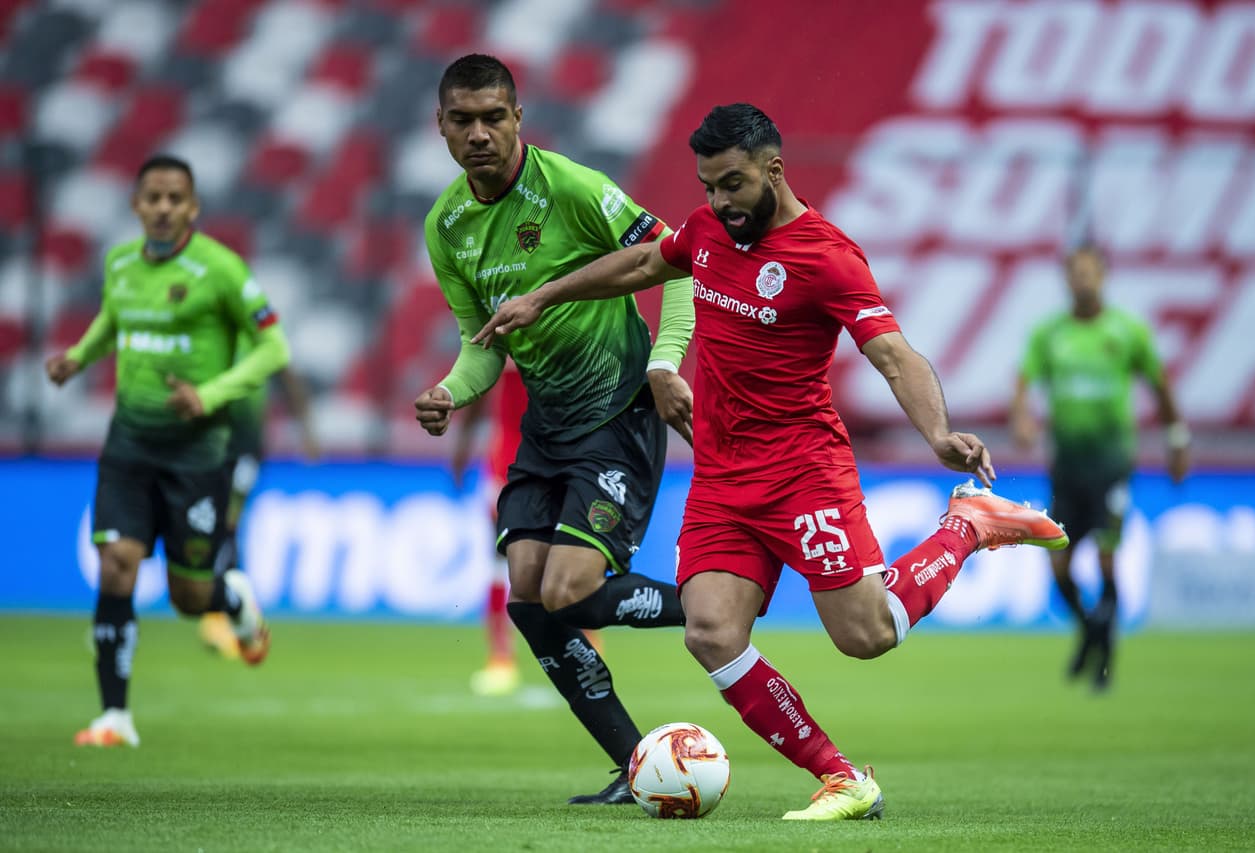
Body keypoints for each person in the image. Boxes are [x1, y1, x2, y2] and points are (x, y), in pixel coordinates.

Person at [475, 103, 1070, 821]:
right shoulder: (703, 231)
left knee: (867, 634)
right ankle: (842, 776)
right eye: (708, 187)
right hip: (724, 477)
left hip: (802, 471)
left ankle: (968, 525)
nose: (719, 203)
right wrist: (543, 295)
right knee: (709, 630)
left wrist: (939, 434)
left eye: (732, 184)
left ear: (773, 170)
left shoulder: (828, 256)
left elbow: (892, 353)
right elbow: (639, 262)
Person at [413, 54, 695, 804]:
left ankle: (708, 603)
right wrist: (448, 389)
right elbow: (484, 349)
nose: (479, 134)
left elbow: (682, 261)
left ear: (518, 118)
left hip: (617, 414)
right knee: (528, 598)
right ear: (440, 125)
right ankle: (636, 764)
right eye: (463, 120)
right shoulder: (447, 227)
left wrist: (665, 363)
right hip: (546, 426)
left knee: (569, 588)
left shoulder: (571, 189)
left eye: (493, 117)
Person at [45, 154, 289, 747]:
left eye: (174, 198)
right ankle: (114, 717)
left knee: (188, 597)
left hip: (197, 455)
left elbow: (272, 349)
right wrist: (80, 355)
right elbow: (113, 319)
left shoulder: (222, 270)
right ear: (135, 205)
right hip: (129, 444)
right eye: (152, 197)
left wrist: (209, 395)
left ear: (193, 207)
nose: (162, 208)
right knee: (117, 564)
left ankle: (230, 597)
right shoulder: (120, 263)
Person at [1010, 244, 1189, 690]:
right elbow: (1023, 384)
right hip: (1066, 467)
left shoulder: (1127, 332)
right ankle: (1093, 633)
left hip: (1111, 466)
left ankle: (1102, 653)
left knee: (1107, 561)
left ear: (1104, 277)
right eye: (1076, 273)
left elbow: (1160, 387)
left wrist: (1176, 439)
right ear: (1067, 279)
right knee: (1059, 568)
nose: (1083, 281)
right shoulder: (1049, 334)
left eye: (1090, 273)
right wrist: (1023, 419)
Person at [198, 358, 319, 659]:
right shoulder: (213, 331)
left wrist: (305, 428)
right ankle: (227, 611)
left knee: (226, 525)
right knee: (216, 525)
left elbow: (288, 376)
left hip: (245, 447)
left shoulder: (259, 333)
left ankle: (223, 616)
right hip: (210, 446)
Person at [448, 363, 525, 696]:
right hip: (506, 469)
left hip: (546, 464)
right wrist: (464, 446)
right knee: (500, 563)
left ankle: (583, 636)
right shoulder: (504, 342)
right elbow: (478, 397)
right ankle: (500, 655)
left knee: (560, 558)